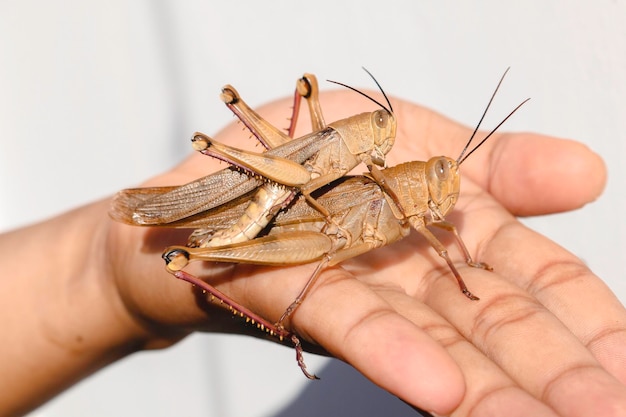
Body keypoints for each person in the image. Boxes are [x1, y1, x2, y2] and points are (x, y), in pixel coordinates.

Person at [1, 90, 625, 417]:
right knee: (317, 253)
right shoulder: (382, 181)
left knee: (326, 245)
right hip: (315, 223)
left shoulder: (408, 198)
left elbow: (440, 229)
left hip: (320, 214)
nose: (447, 188)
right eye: (438, 174)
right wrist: (290, 314)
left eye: (445, 176)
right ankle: (185, 234)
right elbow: (386, 225)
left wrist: (470, 270)